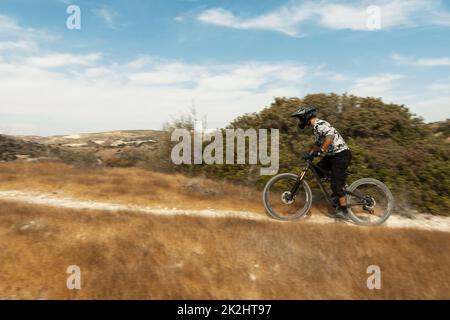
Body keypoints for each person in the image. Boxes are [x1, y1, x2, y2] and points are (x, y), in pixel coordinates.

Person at [291, 106, 352, 219]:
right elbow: (317, 145)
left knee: (336, 185)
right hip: (332, 156)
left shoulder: (321, 124)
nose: (300, 121)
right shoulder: (316, 128)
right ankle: (339, 188)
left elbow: (330, 137)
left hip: (341, 154)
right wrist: (310, 154)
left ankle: (344, 211)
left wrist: (322, 151)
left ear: (306, 117)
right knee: (318, 172)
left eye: (300, 118)